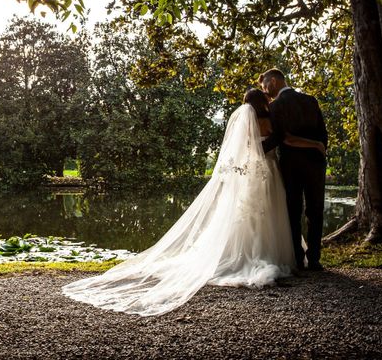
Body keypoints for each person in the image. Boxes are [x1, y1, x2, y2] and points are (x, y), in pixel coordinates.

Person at [62, 88, 323, 317]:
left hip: (252, 175)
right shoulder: (268, 121)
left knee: (248, 217)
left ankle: (248, 254)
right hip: (269, 172)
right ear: (262, 102)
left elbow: (243, 151)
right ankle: (281, 256)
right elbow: (274, 143)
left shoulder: (246, 121)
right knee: (269, 215)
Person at [259, 68, 328, 271]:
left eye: (264, 85)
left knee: (293, 210)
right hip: (315, 163)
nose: (264, 90)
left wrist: (254, 149)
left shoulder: (275, 106)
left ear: (273, 81)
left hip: (290, 165)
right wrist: (319, 151)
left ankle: (298, 258)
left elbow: (279, 137)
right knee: (316, 210)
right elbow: (323, 133)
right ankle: (314, 259)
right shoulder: (310, 100)